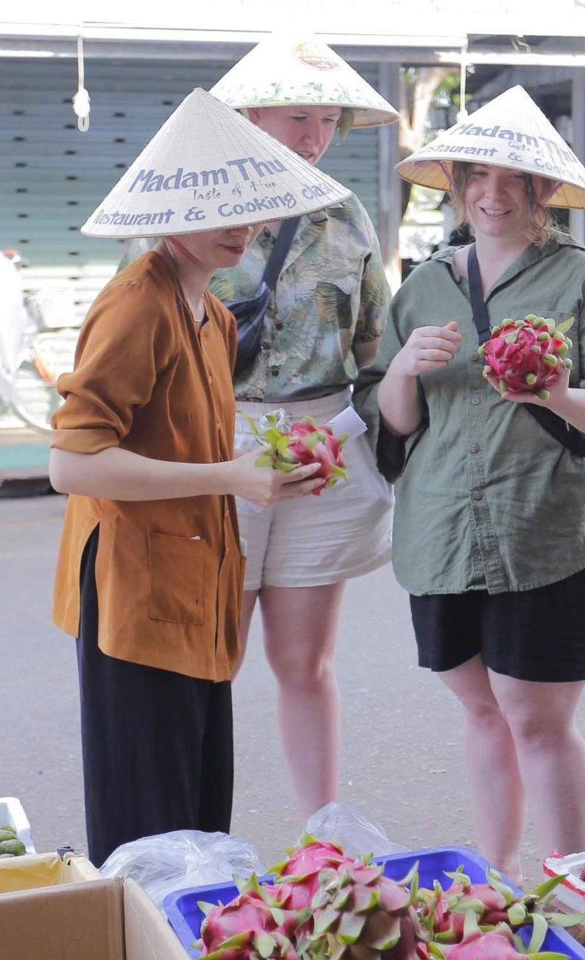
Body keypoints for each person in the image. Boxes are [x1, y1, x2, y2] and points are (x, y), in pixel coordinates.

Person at [354, 86, 585, 880]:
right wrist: (403, 366)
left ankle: (570, 882)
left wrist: (554, 391)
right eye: (476, 177)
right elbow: (392, 419)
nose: (492, 195)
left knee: (538, 721)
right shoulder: (422, 287)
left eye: (512, 179)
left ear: (541, 192)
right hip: (443, 532)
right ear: (456, 184)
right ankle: (497, 871)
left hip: (548, 532)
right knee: (484, 713)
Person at [48, 89, 348, 864]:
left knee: (199, 818)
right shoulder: (136, 304)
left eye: (251, 204)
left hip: (193, 591)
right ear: (168, 209)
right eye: (217, 205)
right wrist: (232, 476)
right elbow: (71, 462)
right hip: (136, 591)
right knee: (148, 835)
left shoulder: (210, 312)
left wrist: (271, 466)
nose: (240, 223)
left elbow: (203, 447)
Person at [185, 34, 400, 822]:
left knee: (305, 662)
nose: (314, 135)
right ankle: (201, 831)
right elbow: (143, 327)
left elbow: (375, 344)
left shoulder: (346, 217)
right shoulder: (192, 203)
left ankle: (325, 834)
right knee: (213, 660)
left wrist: (357, 432)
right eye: (298, 116)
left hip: (324, 439)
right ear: (249, 116)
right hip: (217, 440)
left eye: (327, 119)